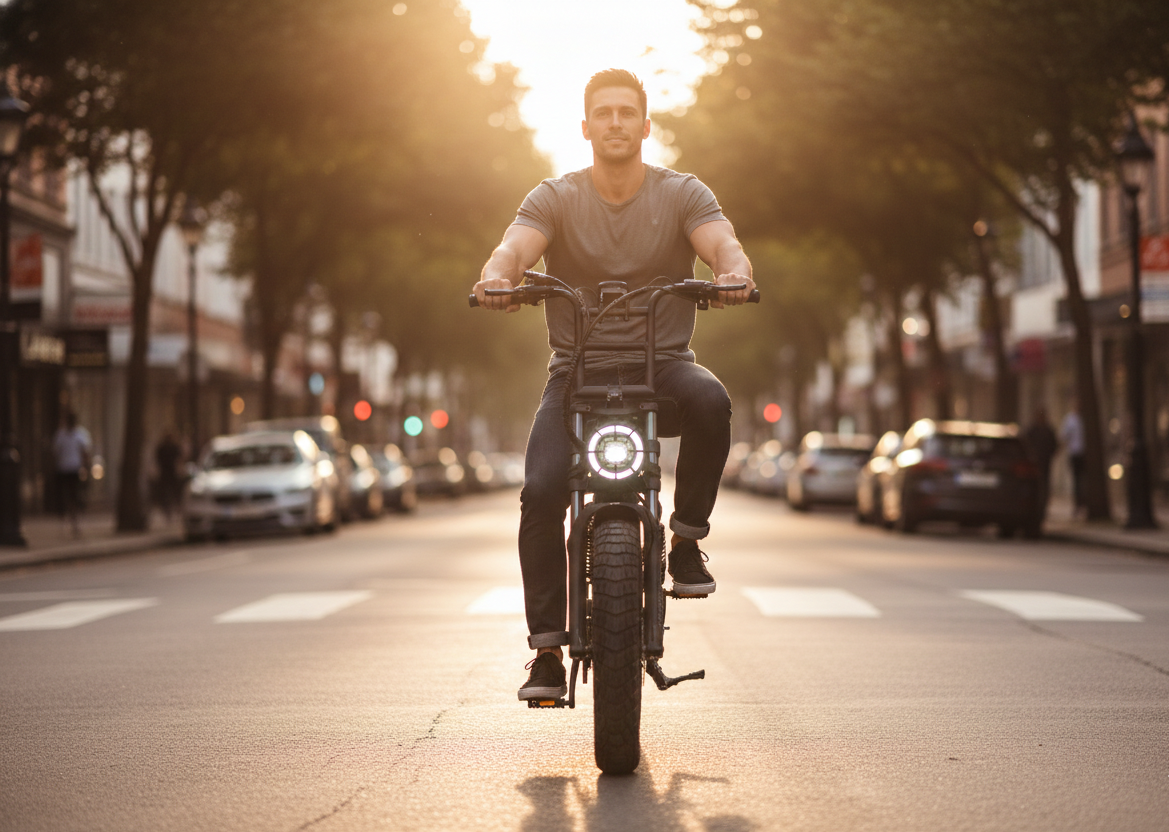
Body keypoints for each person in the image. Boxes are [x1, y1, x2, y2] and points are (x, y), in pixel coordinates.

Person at [474, 69, 756, 701]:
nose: (616, 123)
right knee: (541, 491)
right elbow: (513, 250)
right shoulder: (555, 196)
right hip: (576, 372)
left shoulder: (682, 193)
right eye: (603, 113)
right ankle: (546, 650)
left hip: (663, 365)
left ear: (646, 125)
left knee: (712, 398)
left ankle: (685, 541)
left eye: (628, 113)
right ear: (585, 127)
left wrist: (733, 272)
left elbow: (724, 246)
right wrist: (497, 277)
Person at [52, 409, 92, 537]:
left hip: (75, 469)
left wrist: (85, 467)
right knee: (64, 496)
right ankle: (64, 523)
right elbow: (56, 452)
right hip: (63, 469)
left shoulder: (80, 434)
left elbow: (85, 452)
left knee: (74, 496)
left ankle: (74, 523)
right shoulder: (61, 434)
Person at [1022, 406, 1058, 525]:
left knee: (1044, 487)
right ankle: (1036, 509)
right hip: (1034, 466)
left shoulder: (1047, 430)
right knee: (1036, 487)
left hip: (1044, 463)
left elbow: (1054, 446)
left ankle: (1042, 510)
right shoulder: (1033, 430)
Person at [1060, 399, 1086, 517]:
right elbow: (1064, 436)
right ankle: (1078, 505)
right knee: (1077, 481)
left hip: (1085, 454)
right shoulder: (1070, 419)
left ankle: (1084, 504)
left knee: (1084, 480)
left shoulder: (1085, 418)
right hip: (1074, 453)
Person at [154, 432, 183, 520]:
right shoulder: (165, 447)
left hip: (169, 472)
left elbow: (179, 458)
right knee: (168, 492)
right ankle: (169, 509)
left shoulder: (170, 447)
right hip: (167, 472)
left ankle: (173, 509)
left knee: (172, 492)